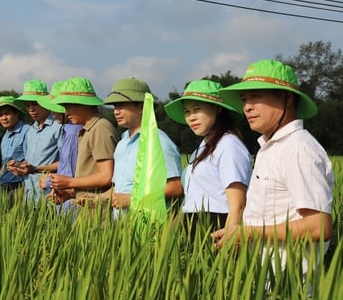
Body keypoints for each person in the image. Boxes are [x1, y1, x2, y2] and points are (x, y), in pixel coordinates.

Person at [213, 59, 334, 278]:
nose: (247, 107)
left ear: (287, 98)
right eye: (244, 99)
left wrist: (248, 234)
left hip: (291, 285)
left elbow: (319, 227)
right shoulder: (269, 148)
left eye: (256, 96)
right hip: (265, 279)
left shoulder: (298, 149)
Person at [164, 79, 251, 239]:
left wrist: (230, 242)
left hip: (216, 225)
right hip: (193, 226)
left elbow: (237, 204)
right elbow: (191, 202)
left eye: (197, 109)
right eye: (187, 112)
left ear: (217, 109)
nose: (191, 118)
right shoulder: (203, 147)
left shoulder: (229, 145)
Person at [100, 78, 183, 220]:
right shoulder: (122, 143)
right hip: (121, 226)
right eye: (115, 106)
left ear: (141, 107)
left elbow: (176, 187)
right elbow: (121, 188)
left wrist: (133, 199)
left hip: (150, 227)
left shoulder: (159, 142)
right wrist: (98, 198)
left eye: (121, 105)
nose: (116, 112)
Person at [49, 77, 118, 211]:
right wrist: (69, 194)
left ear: (83, 104)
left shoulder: (100, 128)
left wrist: (69, 182)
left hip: (99, 215)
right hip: (86, 211)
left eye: (68, 107)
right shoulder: (86, 130)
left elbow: (106, 176)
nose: (66, 113)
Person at [12, 79, 61, 205]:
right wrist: (18, 166)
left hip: (50, 195)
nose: (31, 109)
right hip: (30, 193)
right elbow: (29, 162)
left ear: (46, 103)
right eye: (27, 106)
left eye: (35, 104)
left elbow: (66, 163)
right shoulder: (30, 131)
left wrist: (36, 169)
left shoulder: (58, 127)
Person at [37, 80, 83, 215]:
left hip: (70, 202)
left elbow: (70, 173)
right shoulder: (68, 130)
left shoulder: (73, 133)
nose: (53, 113)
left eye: (57, 109)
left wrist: (49, 182)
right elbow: (64, 164)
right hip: (63, 199)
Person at [0, 96, 29, 204]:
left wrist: (19, 165)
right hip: (4, 184)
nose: (3, 118)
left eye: (7, 113)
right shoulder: (5, 136)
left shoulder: (27, 132)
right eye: (0, 115)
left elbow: (32, 160)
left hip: (20, 186)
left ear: (17, 113)